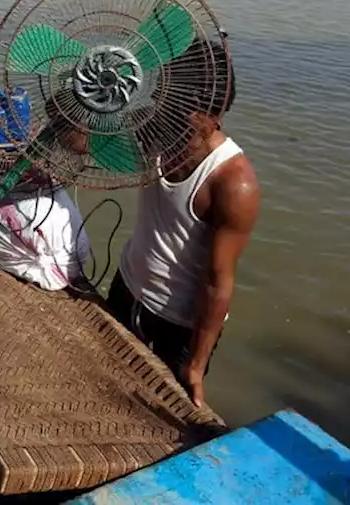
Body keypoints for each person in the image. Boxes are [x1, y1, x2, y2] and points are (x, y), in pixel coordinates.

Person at [106, 39, 260, 408]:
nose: (170, 116)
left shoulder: (233, 183)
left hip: (178, 324)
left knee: (153, 413)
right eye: (165, 101)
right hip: (127, 287)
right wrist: (90, 93)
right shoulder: (152, 129)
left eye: (184, 111)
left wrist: (195, 364)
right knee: (104, 390)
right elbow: (81, 145)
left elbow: (218, 282)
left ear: (213, 113)